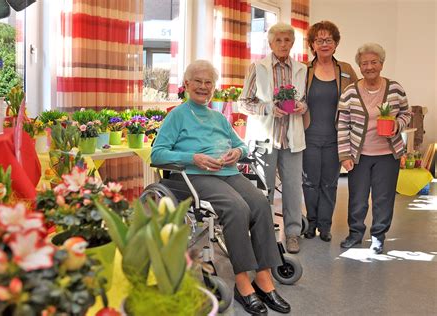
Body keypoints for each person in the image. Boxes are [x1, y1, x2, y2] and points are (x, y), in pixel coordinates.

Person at [151, 60, 291, 315]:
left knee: (260, 203)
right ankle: (242, 283)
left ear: (213, 87)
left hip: (227, 171)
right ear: (187, 85)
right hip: (194, 175)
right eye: (198, 82)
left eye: (208, 83)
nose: (203, 87)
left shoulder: (218, 116)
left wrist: (237, 152)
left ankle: (263, 276)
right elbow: (158, 154)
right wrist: (193, 157)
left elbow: (243, 145)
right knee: (236, 208)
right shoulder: (177, 115)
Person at [238, 22, 307, 254]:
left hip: (292, 138)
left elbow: (305, 100)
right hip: (264, 139)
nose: (283, 44)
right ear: (270, 43)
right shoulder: (257, 67)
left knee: (293, 188)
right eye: (278, 40)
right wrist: (267, 108)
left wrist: (301, 106)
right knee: (262, 190)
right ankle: (263, 233)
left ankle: (293, 233)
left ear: (293, 43)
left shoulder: (301, 69)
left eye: (287, 40)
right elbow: (243, 103)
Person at [337, 43, 411, 253]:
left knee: (383, 198)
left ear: (381, 64)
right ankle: (355, 234)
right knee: (357, 198)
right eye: (364, 63)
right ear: (359, 66)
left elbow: (406, 113)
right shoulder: (350, 92)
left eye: (373, 62)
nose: (369, 67)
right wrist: (344, 154)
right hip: (359, 155)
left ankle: (378, 236)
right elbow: (342, 124)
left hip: (388, 155)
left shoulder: (395, 88)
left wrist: (397, 125)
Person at [302, 21, 358, 242]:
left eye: (329, 40)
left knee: (329, 183)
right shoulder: (304, 70)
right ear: (312, 44)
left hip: (337, 138)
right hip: (309, 136)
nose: (324, 44)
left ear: (336, 44)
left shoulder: (345, 69)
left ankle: (325, 226)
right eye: (319, 40)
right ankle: (311, 222)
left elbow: (358, 97)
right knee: (309, 182)